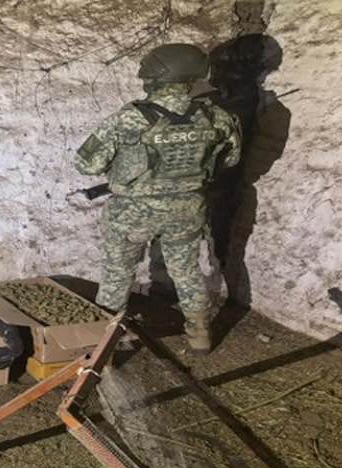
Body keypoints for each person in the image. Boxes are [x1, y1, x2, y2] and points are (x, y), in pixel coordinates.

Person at [74, 43, 242, 352]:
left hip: (133, 212)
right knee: (186, 270)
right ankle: (200, 334)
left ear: (156, 77)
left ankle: (103, 344)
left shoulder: (129, 118)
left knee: (117, 275)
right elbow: (230, 160)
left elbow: (86, 164)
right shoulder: (217, 117)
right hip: (187, 208)